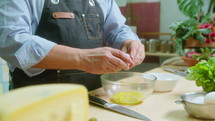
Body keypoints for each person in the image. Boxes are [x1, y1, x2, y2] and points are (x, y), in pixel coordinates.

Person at [0, 0, 145, 91]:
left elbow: (118, 29)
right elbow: (10, 40)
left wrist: (129, 41)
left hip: (93, 97)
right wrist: (83, 58)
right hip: (36, 102)